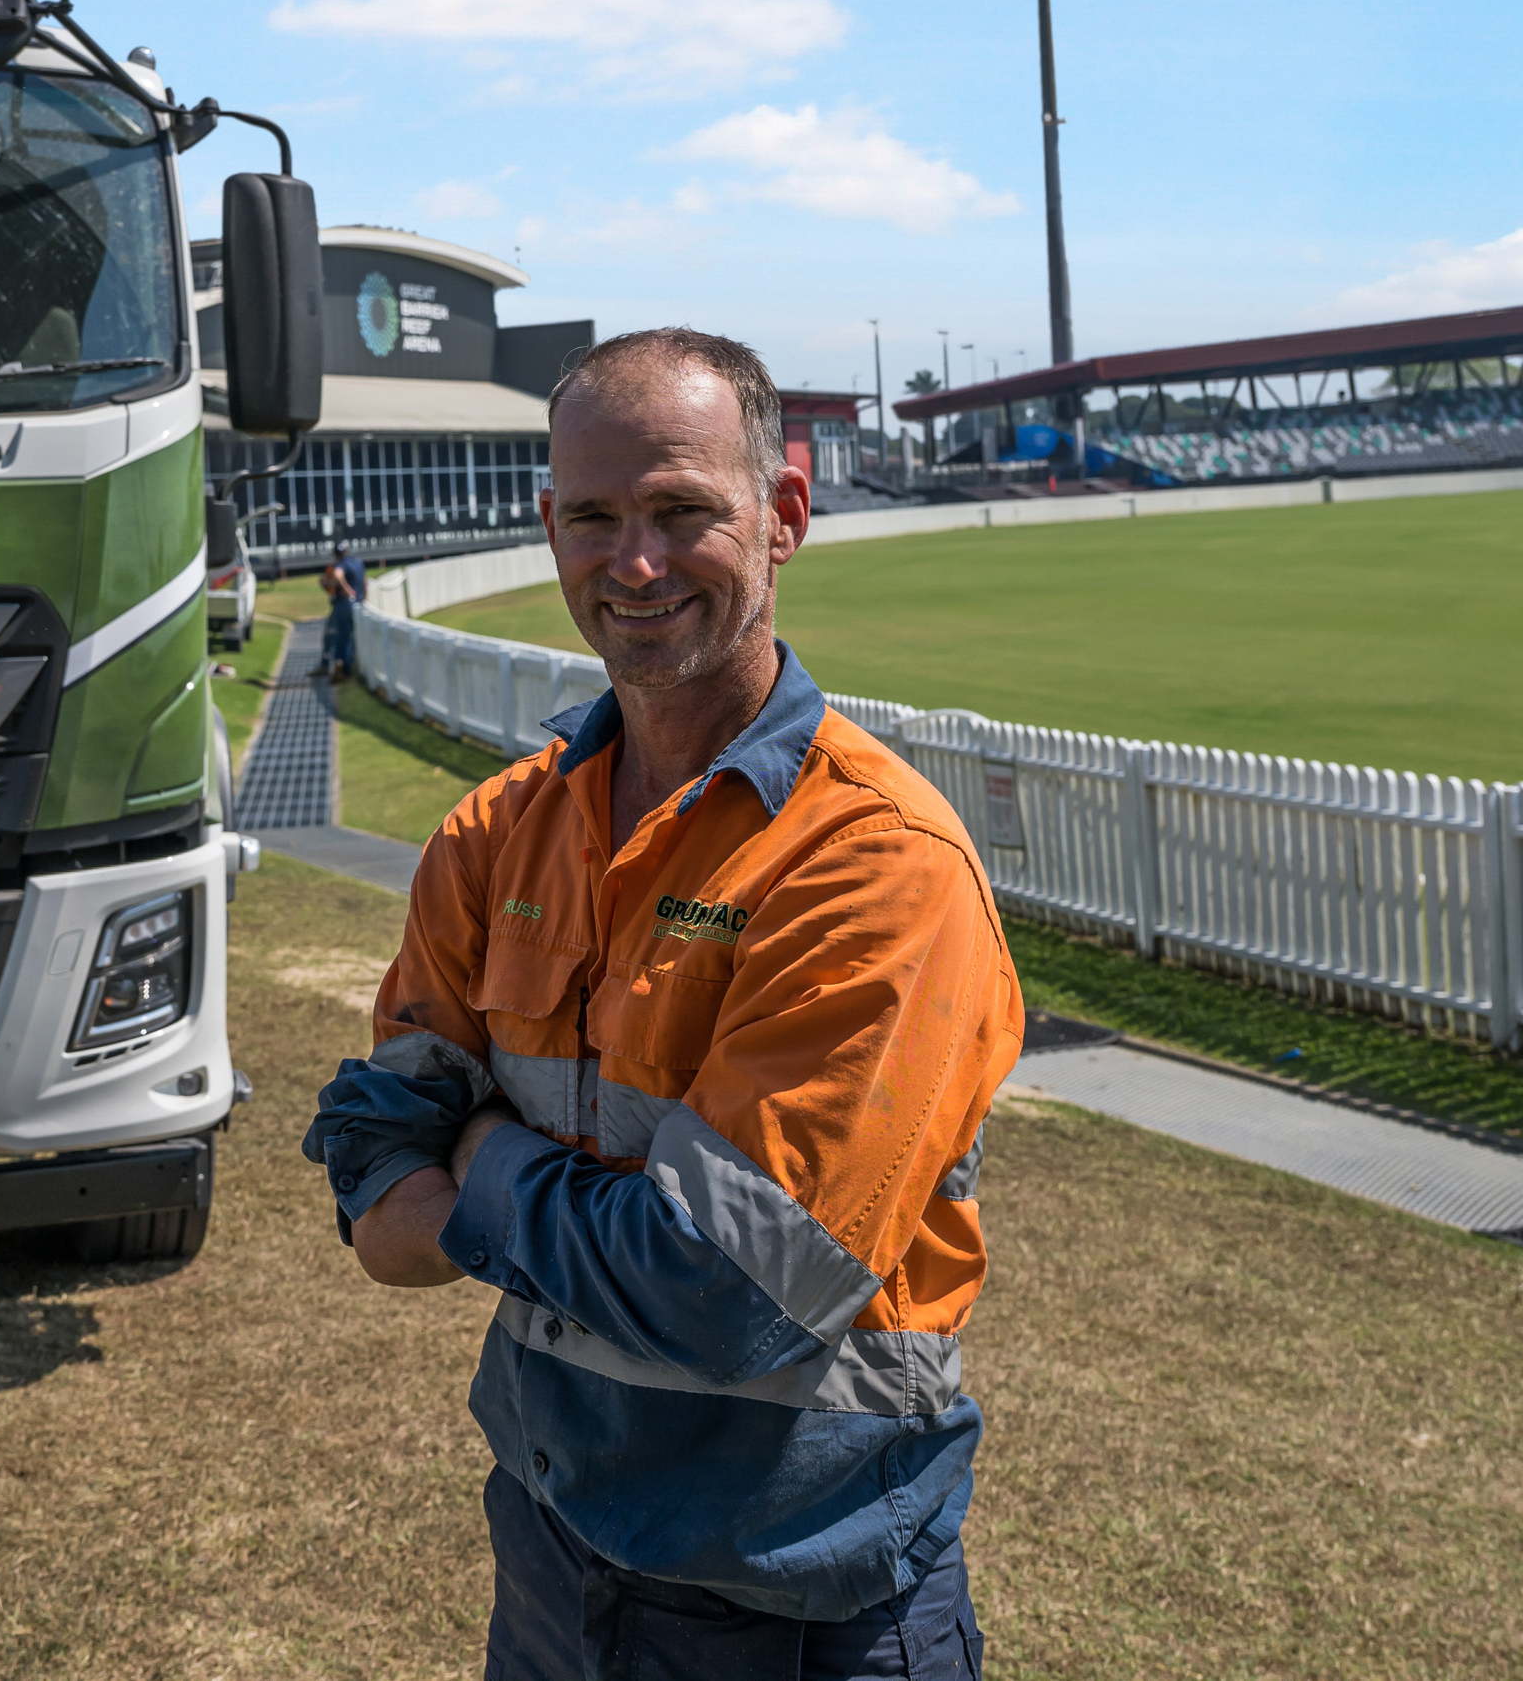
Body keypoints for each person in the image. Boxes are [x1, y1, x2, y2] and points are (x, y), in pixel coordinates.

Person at [302, 327, 1023, 1680]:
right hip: (551, 1560)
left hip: (810, 1609)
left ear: (784, 516)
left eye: (682, 510)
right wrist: (488, 1187)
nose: (633, 562)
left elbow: (729, 1289)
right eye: (594, 516)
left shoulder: (875, 865)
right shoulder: (496, 835)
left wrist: (475, 1158)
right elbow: (368, 1198)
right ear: (549, 529)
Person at [320, 540, 363, 681]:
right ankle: (348, 667)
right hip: (358, 604)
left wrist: (347, 590)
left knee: (341, 637)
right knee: (352, 636)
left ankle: (343, 670)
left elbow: (338, 576)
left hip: (344, 604)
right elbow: (366, 582)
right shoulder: (358, 562)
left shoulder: (340, 564)